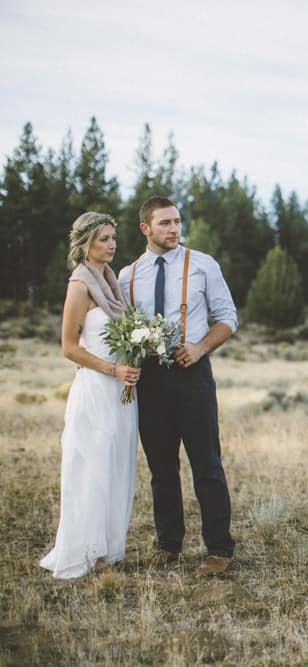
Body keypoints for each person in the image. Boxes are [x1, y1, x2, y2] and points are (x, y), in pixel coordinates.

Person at [119, 196, 238, 576]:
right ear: (146, 228)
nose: (174, 229)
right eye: (165, 223)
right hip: (149, 380)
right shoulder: (126, 275)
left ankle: (219, 550)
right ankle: (168, 545)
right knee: (161, 468)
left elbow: (228, 318)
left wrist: (200, 347)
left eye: (177, 222)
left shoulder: (203, 265)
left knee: (207, 465)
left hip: (192, 377)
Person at [40, 212, 141, 579]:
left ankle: (108, 549)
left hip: (121, 392)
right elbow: (68, 347)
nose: (111, 244)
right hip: (97, 390)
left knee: (117, 468)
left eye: (114, 238)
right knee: (92, 469)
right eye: (103, 239)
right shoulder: (80, 285)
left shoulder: (111, 283)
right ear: (85, 243)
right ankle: (86, 550)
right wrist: (112, 369)